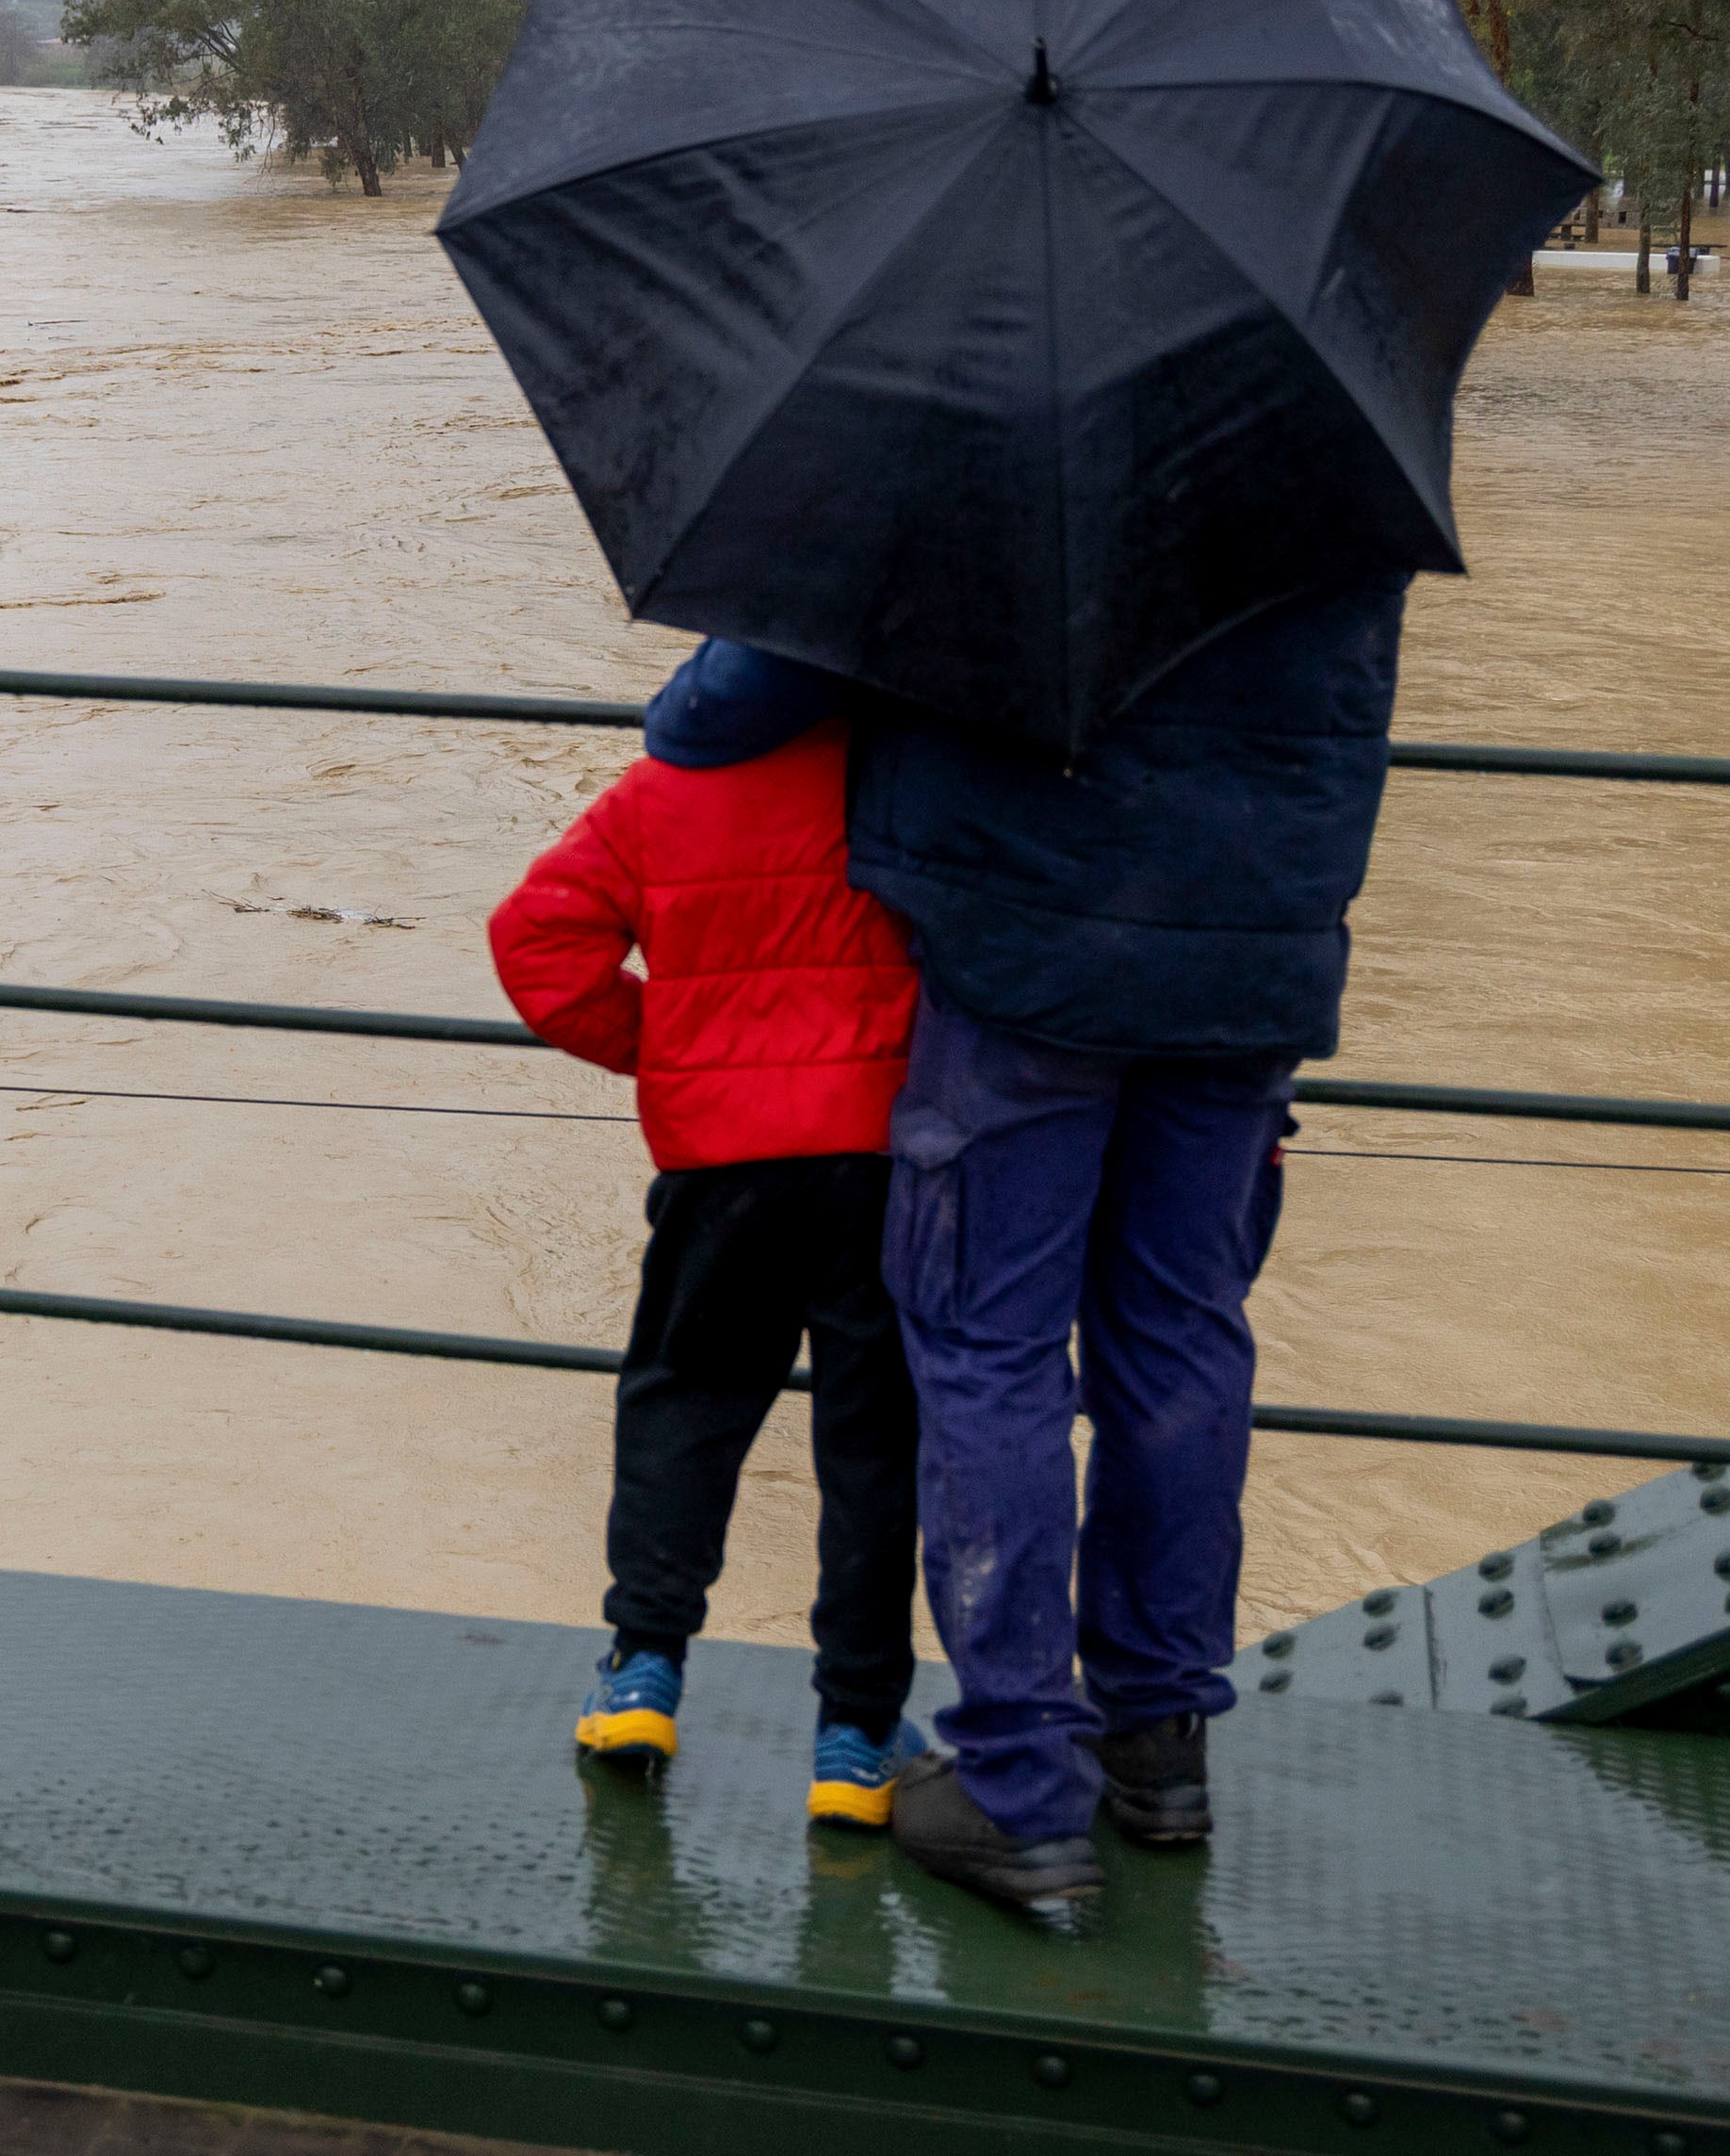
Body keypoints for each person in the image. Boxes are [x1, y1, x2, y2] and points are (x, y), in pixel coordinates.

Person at [644, 579, 1404, 1915]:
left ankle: (1014, 1787)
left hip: (1027, 957)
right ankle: (1159, 1746)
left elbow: (718, 714)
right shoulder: (1331, 438)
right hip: (1255, 953)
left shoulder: (969, 428)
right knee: (1180, 1337)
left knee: (988, 1347)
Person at [488, 660, 934, 1829]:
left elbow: (536, 943)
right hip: (879, 1160)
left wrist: (674, 1052)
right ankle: (855, 1736)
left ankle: (643, 1671)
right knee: (875, 1443)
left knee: (685, 1398)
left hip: (719, 1165)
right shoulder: (907, 786)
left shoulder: (659, 790)